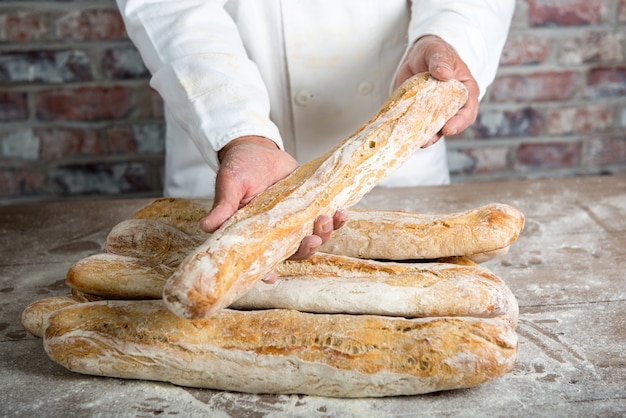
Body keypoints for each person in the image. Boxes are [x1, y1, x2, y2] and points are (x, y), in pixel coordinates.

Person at [117, 0, 515, 260]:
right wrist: (241, 132)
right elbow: (169, 7)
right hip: (225, 155)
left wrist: (444, 37)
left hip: (398, 166)